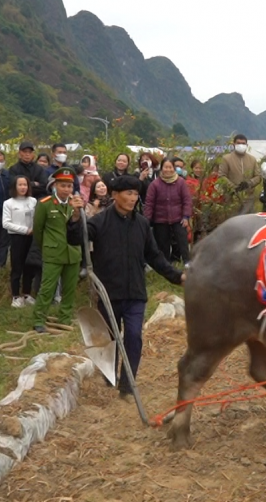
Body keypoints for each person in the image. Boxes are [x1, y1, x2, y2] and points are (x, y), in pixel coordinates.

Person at [87, 175, 183, 395]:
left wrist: (177, 277)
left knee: (133, 336)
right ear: (114, 195)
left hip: (135, 293)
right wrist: (75, 219)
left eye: (135, 194)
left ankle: (127, 385)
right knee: (110, 339)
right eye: (128, 193)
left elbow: (155, 256)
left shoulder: (141, 224)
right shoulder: (99, 222)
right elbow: (76, 237)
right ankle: (110, 376)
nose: (133, 198)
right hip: (108, 292)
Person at [32, 168, 84, 333]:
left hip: (73, 253)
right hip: (53, 253)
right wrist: (47, 247)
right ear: (55, 185)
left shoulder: (76, 204)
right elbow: (38, 231)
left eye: (69, 186)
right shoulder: (45, 204)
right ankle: (39, 319)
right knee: (47, 288)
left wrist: (77, 211)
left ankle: (65, 318)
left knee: (69, 289)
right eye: (63, 186)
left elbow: (82, 228)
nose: (66, 190)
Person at [145, 159, 193, 263]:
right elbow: (149, 203)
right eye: (165, 167)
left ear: (174, 168)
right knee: (163, 245)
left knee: (182, 242)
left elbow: (187, 200)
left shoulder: (180, 182)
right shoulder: (155, 184)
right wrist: (147, 220)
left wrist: (186, 216)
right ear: (161, 168)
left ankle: (187, 263)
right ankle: (165, 266)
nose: (168, 170)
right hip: (160, 220)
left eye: (170, 167)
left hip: (178, 218)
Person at [3, 175, 38, 308]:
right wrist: (24, 230)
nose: (23, 187)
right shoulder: (9, 203)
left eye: (25, 185)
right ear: (15, 186)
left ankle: (27, 293)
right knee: (17, 267)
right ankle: (16, 296)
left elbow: (37, 218)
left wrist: (33, 230)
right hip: (17, 238)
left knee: (29, 267)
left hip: (32, 238)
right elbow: (6, 223)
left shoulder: (33, 201)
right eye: (20, 185)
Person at [218, 135, 260, 214]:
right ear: (233, 144)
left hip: (248, 198)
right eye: (238, 143)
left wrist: (249, 183)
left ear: (247, 145)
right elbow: (221, 176)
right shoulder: (226, 158)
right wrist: (233, 187)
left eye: (243, 143)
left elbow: (258, 176)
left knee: (248, 222)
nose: (241, 145)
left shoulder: (252, 159)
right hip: (232, 198)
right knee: (233, 222)